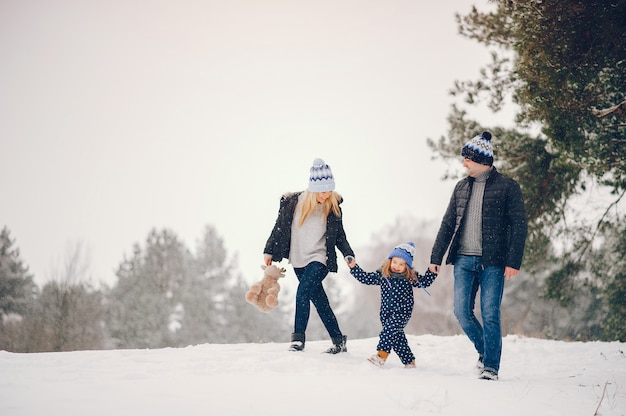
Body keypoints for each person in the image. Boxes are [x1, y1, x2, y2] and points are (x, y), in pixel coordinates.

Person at [429, 131, 527, 381]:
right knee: (462, 312)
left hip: (492, 262)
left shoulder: (507, 186)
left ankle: (491, 367)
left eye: (467, 159)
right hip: (463, 260)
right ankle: (485, 351)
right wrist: (436, 257)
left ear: (481, 160)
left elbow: (519, 225)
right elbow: (448, 223)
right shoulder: (461, 187)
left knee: (490, 313)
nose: (464, 163)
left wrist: (513, 261)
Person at [263, 158, 355, 354]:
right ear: (313, 189)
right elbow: (278, 228)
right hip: (298, 260)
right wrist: (268, 250)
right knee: (320, 301)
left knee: (302, 292)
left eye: (329, 190)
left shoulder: (333, 207)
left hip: (320, 258)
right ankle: (339, 341)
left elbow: (340, 236)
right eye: (322, 191)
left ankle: (298, 339)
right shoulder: (292, 204)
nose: (326, 195)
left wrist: (348, 254)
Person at [346, 242, 437, 368]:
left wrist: (432, 272)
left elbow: (424, 282)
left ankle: (381, 356)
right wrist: (353, 267)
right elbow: (365, 278)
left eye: (401, 264)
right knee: (397, 338)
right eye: (395, 262)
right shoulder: (383, 275)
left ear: (407, 266)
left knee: (388, 331)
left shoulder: (409, 277)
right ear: (390, 261)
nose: (397, 266)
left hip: (402, 312)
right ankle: (409, 361)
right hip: (385, 313)